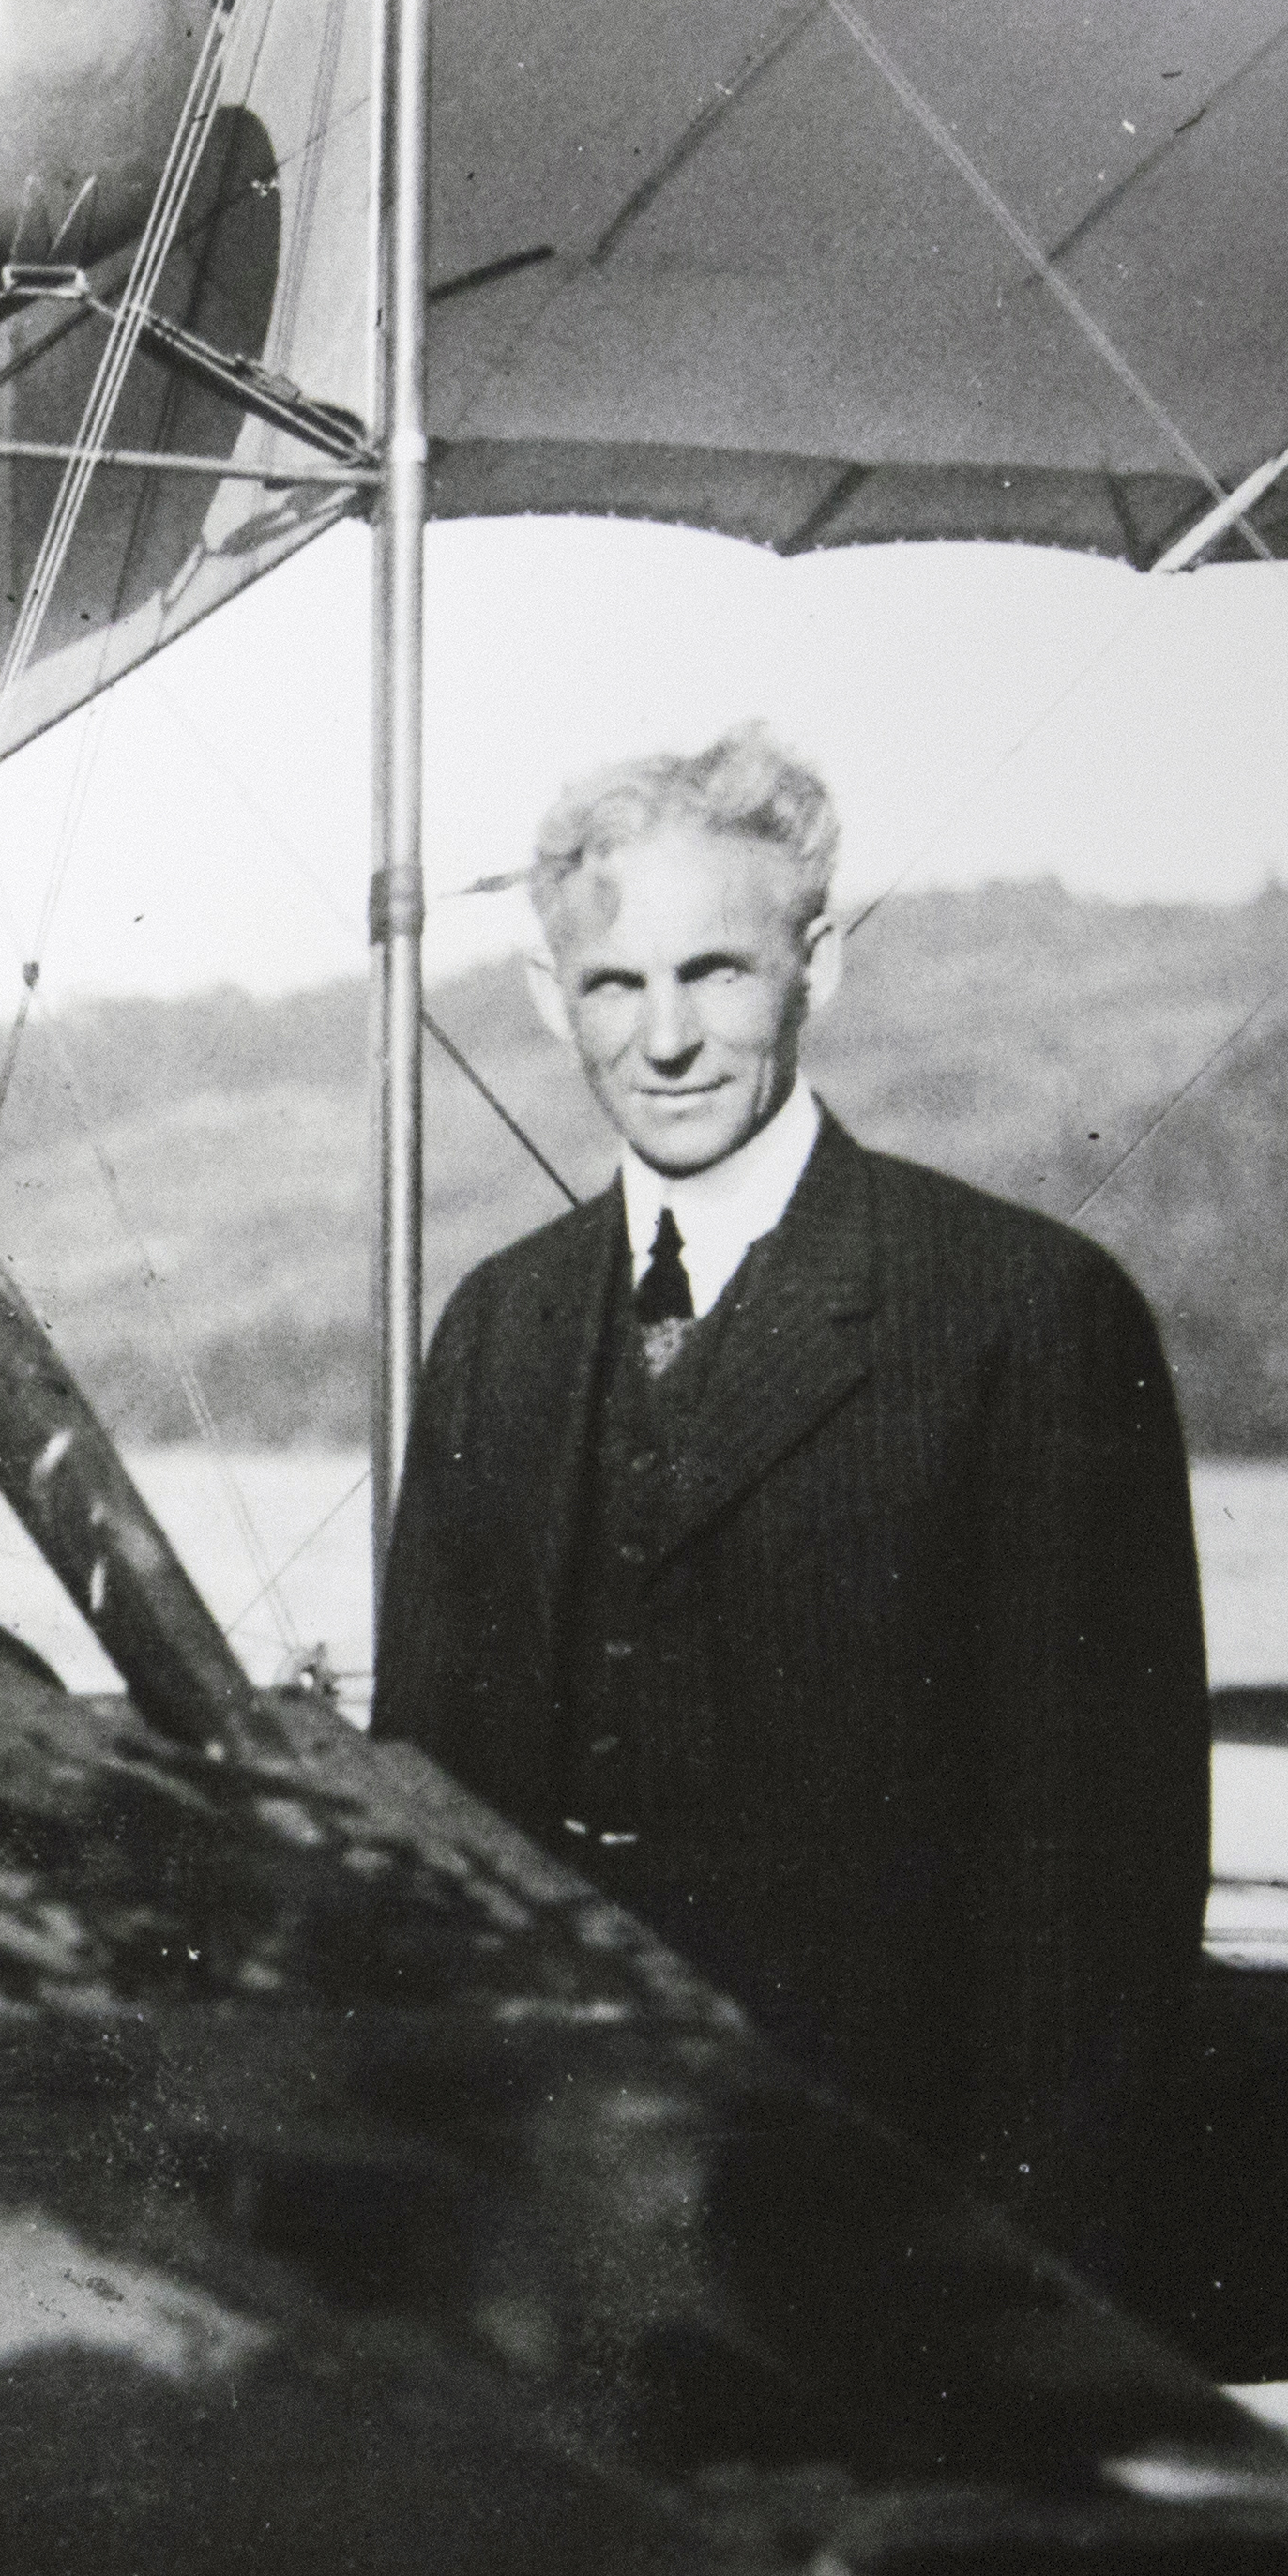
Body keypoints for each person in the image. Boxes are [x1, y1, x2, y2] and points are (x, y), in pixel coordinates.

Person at [373, 725, 1206, 2263]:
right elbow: (429, 1822)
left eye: (719, 973)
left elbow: (1103, 1895)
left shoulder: (1024, 1314)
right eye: (617, 986)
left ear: (819, 963)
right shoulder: (500, 1327)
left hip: (890, 2230)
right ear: (553, 998)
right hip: (555, 2222)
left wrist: (1011, 2300)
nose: (667, 1038)